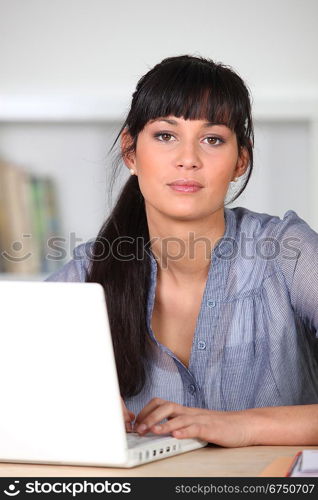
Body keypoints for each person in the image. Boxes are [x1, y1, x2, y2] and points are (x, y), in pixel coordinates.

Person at [46, 54, 318, 447]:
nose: (188, 160)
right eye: (165, 136)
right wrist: (71, 409)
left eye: (212, 139)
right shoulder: (88, 273)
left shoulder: (286, 252)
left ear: (240, 159)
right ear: (130, 152)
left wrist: (240, 426)